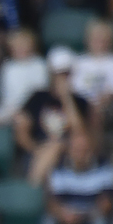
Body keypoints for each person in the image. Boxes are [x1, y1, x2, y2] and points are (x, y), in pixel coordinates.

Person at [14, 49, 92, 185]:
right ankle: (36, 189)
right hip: (39, 148)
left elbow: (79, 132)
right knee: (51, 150)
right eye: (59, 73)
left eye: (66, 73)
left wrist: (66, 98)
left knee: (56, 146)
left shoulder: (80, 101)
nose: (62, 78)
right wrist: (35, 149)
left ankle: (33, 187)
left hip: (70, 150)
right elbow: (21, 129)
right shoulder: (37, 97)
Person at [44, 131, 113, 224]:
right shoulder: (59, 167)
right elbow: (52, 202)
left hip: (91, 215)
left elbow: (107, 203)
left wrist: (85, 216)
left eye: (85, 149)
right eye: (77, 149)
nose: (81, 153)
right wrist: (63, 214)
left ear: (91, 151)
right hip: (66, 216)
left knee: (100, 223)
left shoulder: (104, 167)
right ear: (69, 150)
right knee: (48, 222)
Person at [71, 19, 113, 130]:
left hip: (107, 106)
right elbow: (74, 89)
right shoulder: (79, 61)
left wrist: (99, 102)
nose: (100, 44)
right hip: (81, 103)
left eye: (103, 40)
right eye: (96, 40)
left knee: (95, 112)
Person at [0, 27, 48, 125]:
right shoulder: (8, 67)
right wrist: (11, 110)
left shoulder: (40, 65)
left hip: (32, 109)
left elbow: (40, 92)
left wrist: (22, 110)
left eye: (23, 45)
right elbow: (4, 95)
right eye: (17, 46)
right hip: (10, 108)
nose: (20, 49)